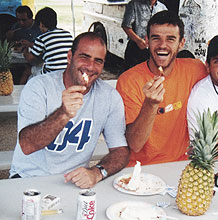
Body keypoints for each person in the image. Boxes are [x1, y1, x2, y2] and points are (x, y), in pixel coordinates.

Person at [116, 10, 218, 167]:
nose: (163, 45)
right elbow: (134, 144)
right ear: (147, 40)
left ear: (182, 43)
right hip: (142, 168)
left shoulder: (194, 68)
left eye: (170, 39)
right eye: (156, 38)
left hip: (185, 165)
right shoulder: (129, 81)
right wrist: (150, 104)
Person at [10, 32, 130, 189]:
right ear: (69, 56)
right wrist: (63, 114)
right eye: (84, 57)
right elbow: (27, 145)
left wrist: (97, 172)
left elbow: (121, 151)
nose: (90, 66)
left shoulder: (109, 97)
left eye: (98, 61)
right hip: (29, 177)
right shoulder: (39, 87)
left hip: (73, 182)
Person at [22, 7, 73, 82]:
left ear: (41, 24)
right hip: (68, 73)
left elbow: (30, 59)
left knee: (29, 71)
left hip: (51, 75)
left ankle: (22, 91)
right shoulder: (68, 34)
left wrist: (24, 50)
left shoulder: (42, 38)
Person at [121, 0, 167, 71]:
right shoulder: (134, 4)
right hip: (135, 49)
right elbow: (126, 26)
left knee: (150, 77)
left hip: (153, 50)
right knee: (132, 76)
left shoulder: (162, 8)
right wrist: (138, 40)